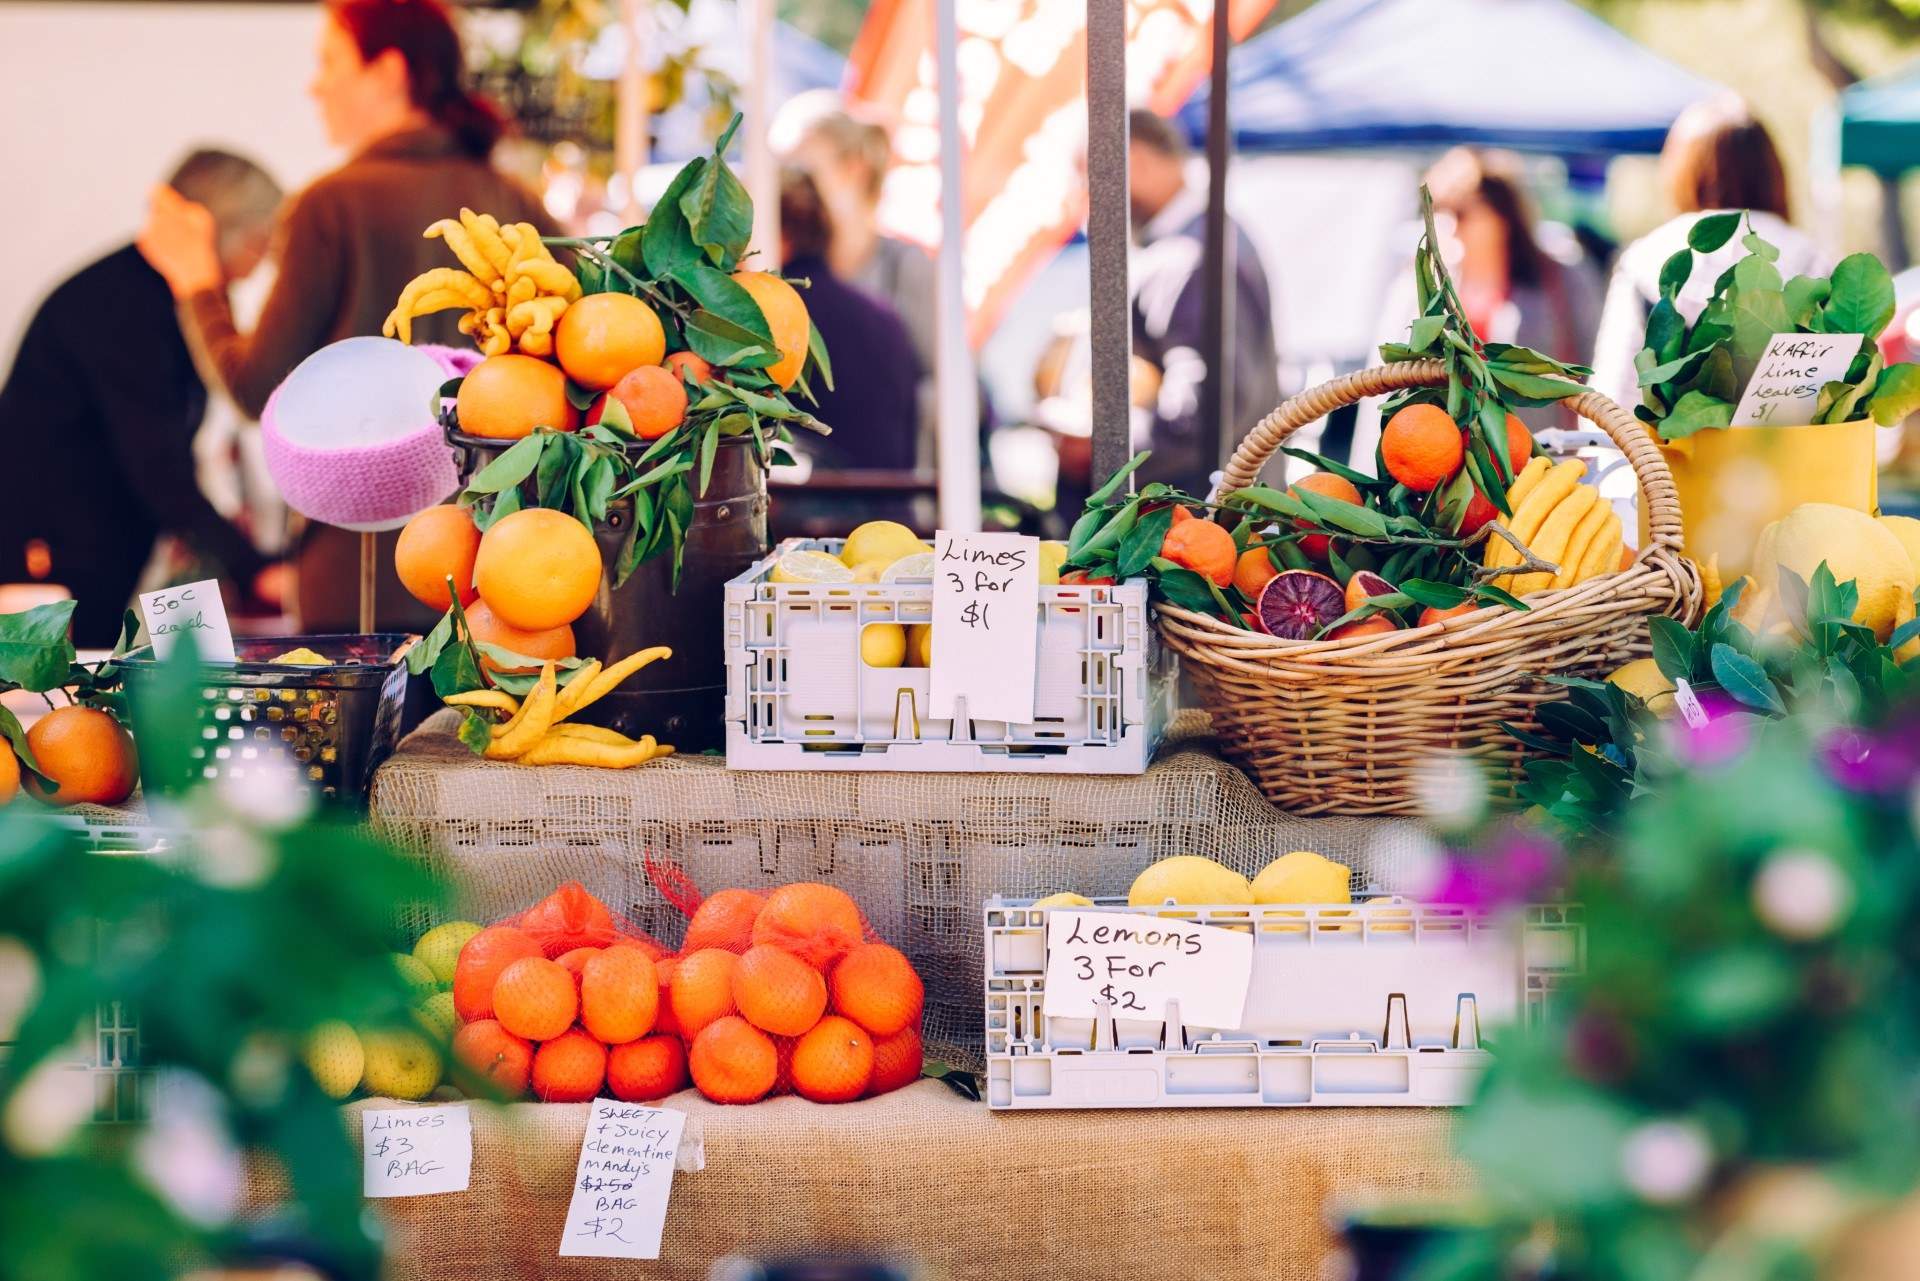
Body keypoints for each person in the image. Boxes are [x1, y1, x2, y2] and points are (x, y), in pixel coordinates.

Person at [138, 0, 548, 632]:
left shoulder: (329, 205)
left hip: (357, 570)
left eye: (329, 61)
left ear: (387, 71)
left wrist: (197, 280)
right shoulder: (517, 202)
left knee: (362, 729)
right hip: (498, 563)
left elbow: (254, 389)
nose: (315, 84)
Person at [0, 149, 282, 647]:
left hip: (93, 547)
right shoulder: (118, 305)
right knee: (58, 712)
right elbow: (157, 465)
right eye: (260, 244)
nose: (259, 264)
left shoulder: (150, 297)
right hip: (46, 559)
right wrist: (255, 567)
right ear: (217, 230)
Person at [1590, 97, 1827, 414]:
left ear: (1683, 172)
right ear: (1772, 173)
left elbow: (1611, 401)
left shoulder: (1646, 257)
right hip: (1782, 458)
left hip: (1670, 460)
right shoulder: (1811, 260)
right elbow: (1857, 407)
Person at [776, 95, 939, 460]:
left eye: (801, 172)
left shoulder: (907, 267)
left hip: (895, 487)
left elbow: (951, 388)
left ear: (855, 169)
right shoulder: (783, 271)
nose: (786, 189)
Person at [1127, 109, 1280, 496]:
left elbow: (1204, 406)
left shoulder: (1189, 255)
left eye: (1085, 175)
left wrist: (1105, 445)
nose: (1084, 196)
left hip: (1202, 515)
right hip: (1214, 506)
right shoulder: (1202, 240)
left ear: (1136, 160)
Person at [779, 168, 920, 474]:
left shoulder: (773, 320)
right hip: (893, 512)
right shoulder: (884, 318)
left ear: (781, 234)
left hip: (809, 513)